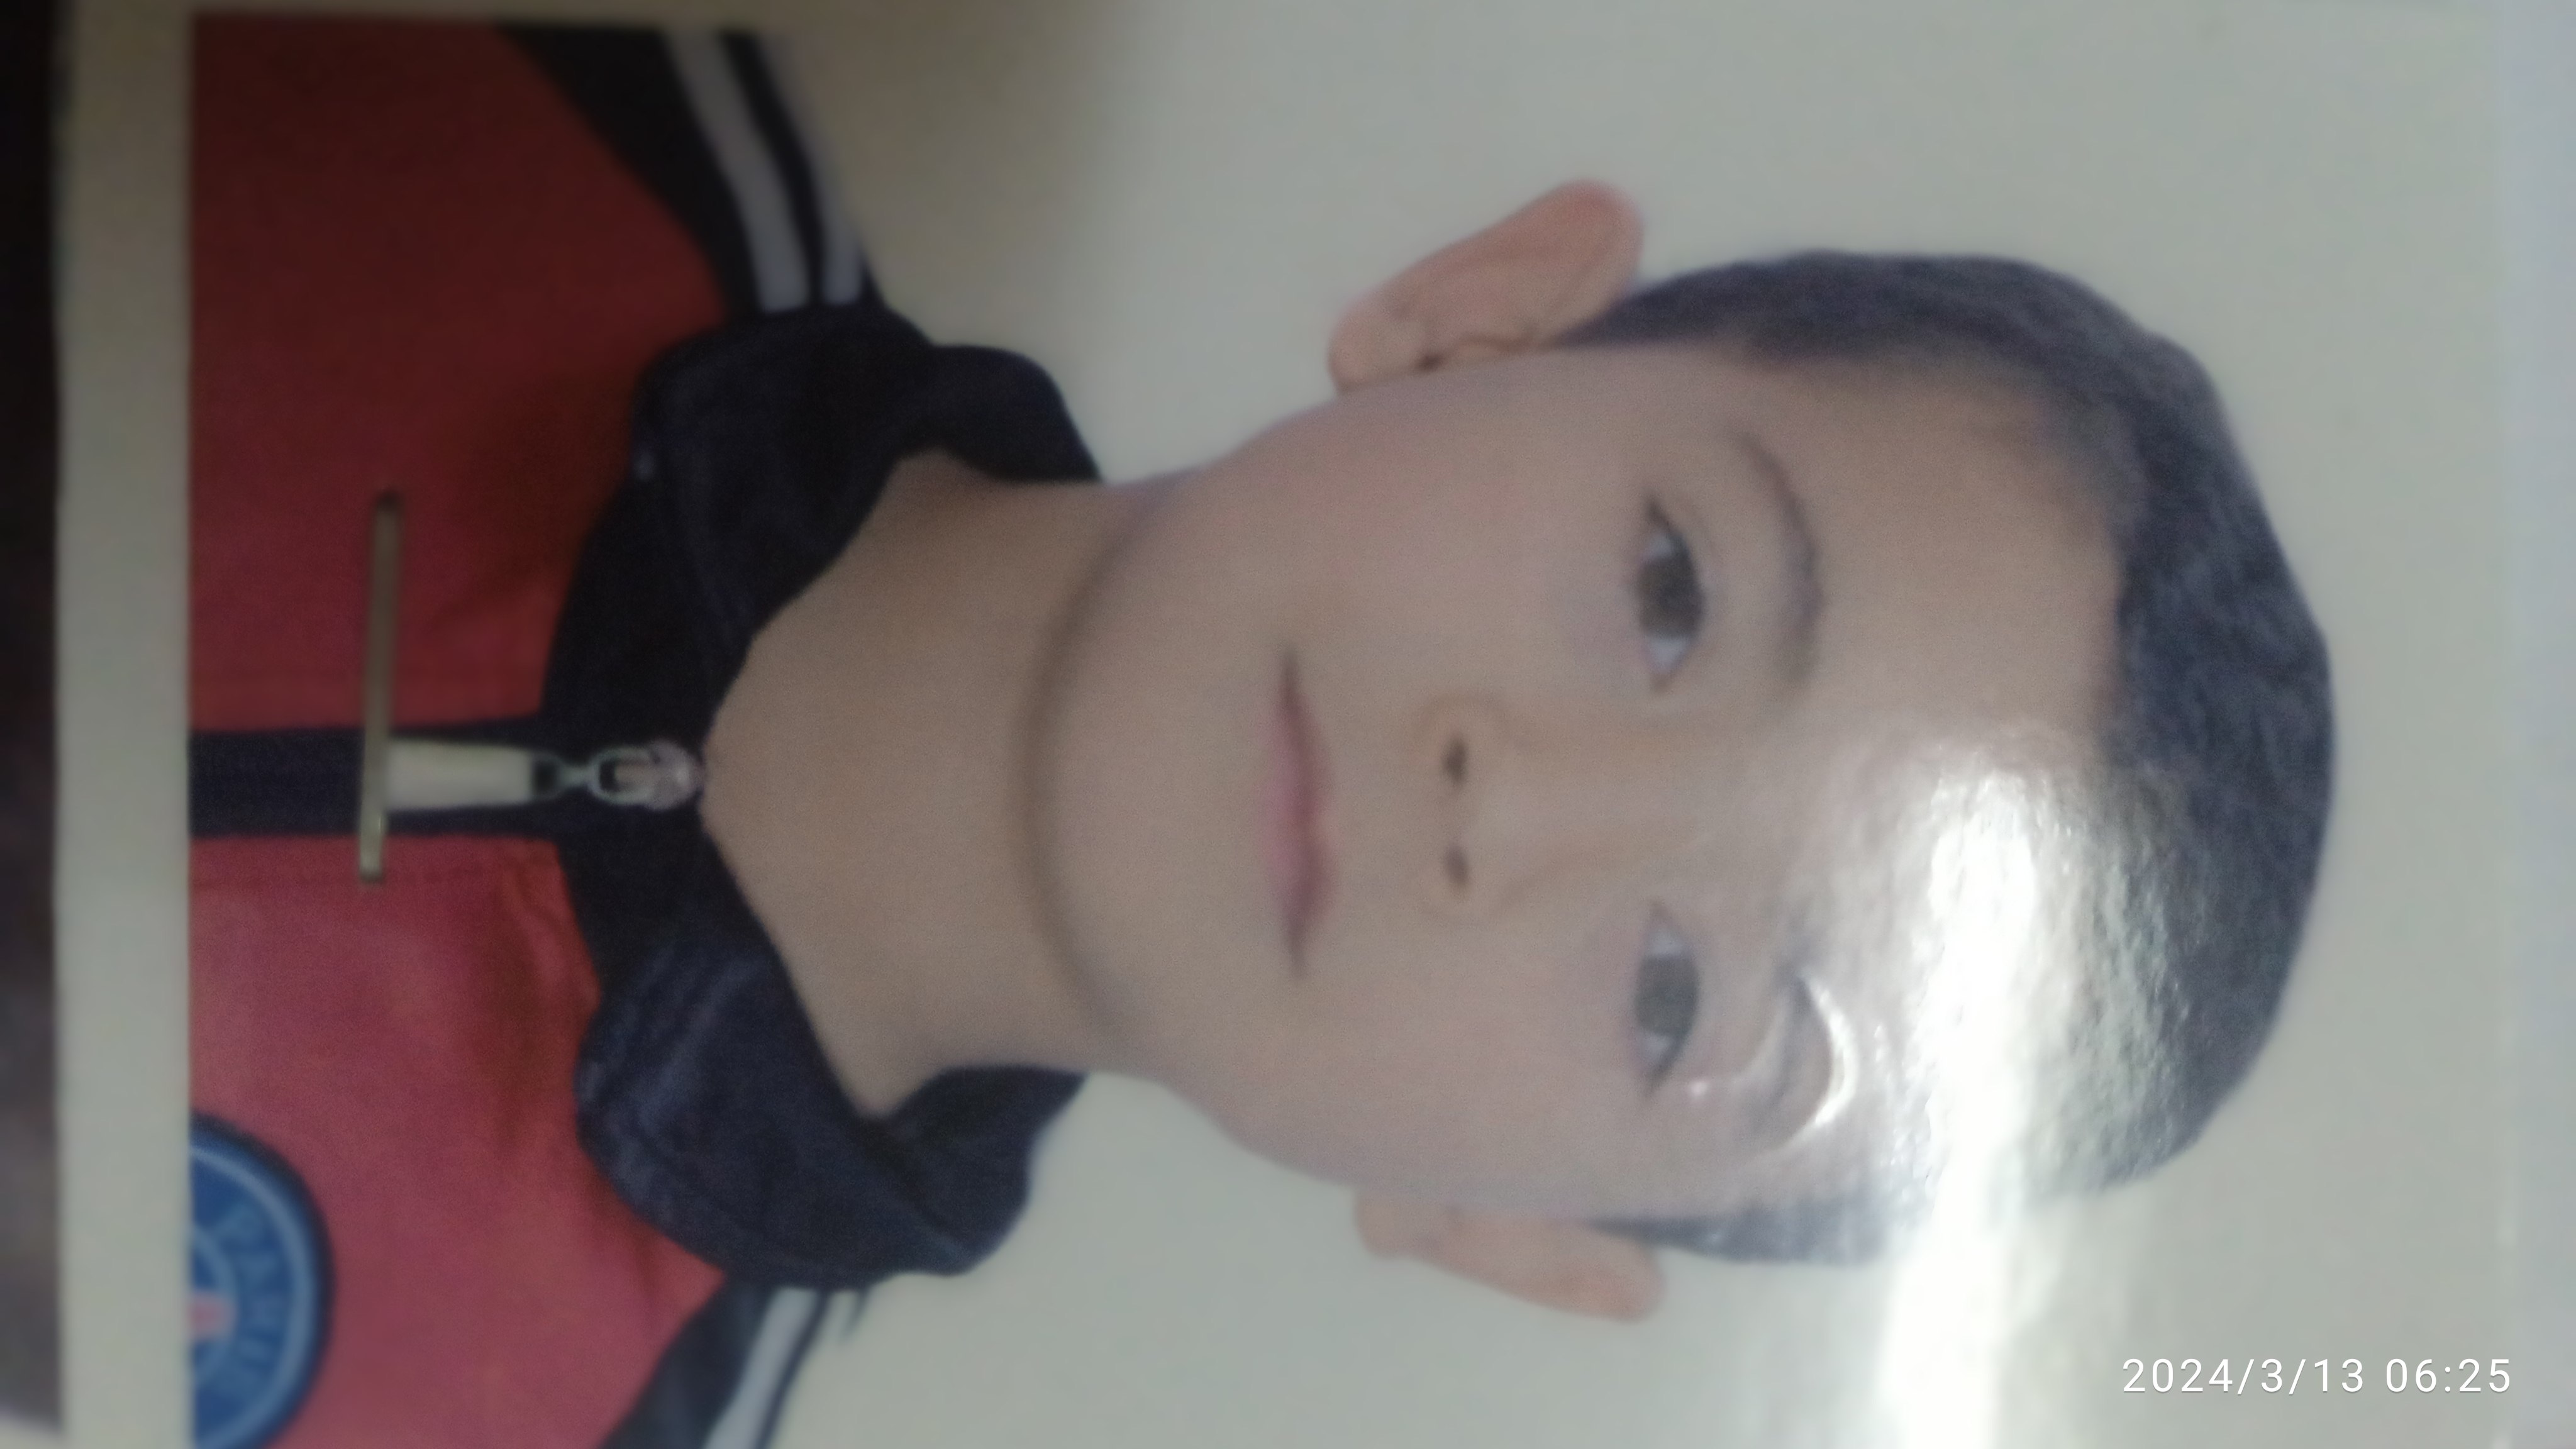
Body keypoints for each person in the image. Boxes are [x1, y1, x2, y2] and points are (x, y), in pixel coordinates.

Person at [186, 18, 2331, 1449]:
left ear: (1512, 1230)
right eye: (1673, 586)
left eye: (1683, 1001)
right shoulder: (514, 83)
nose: (1515, 801)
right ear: (1492, 312)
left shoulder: (581, 1415)